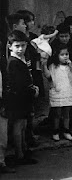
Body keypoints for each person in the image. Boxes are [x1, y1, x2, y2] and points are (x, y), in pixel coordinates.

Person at [6, 30, 39, 165]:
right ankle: (19, 154)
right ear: (10, 46)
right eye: (17, 46)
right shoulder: (13, 62)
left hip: (24, 98)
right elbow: (18, 85)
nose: (20, 49)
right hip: (18, 99)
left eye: (23, 46)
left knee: (24, 125)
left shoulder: (20, 59)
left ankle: (24, 150)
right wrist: (32, 90)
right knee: (18, 126)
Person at [41, 43, 72, 141]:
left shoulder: (70, 66)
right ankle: (55, 131)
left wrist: (71, 66)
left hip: (68, 90)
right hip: (58, 91)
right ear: (57, 56)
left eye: (66, 54)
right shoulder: (53, 66)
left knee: (67, 112)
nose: (65, 57)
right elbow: (48, 76)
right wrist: (44, 66)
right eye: (62, 55)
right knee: (57, 113)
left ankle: (66, 131)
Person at [0, 41, 16, 174]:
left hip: (1, 104)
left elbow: (6, 85)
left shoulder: (3, 65)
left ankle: (1, 162)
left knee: (3, 139)